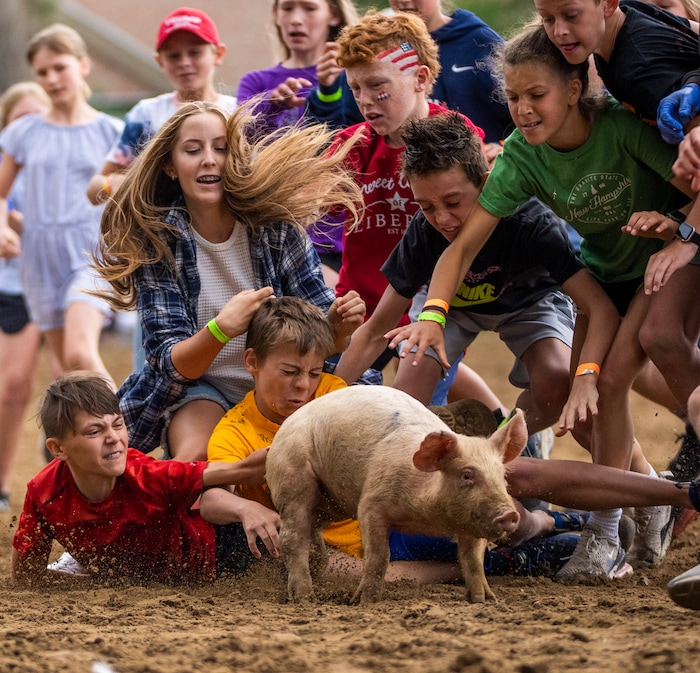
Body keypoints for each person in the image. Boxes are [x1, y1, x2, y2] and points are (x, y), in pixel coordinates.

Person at [383, 22, 700, 580]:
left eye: (536, 95)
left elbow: (688, 183)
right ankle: (640, 504)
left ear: (574, 90)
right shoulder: (519, 162)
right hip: (609, 279)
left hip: (656, 266)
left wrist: (679, 230)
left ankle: (615, 525)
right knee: (598, 394)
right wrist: (432, 315)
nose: (523, 109)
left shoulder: (620, 130)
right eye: (512, 98)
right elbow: (458, 250)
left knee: (610, 378)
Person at [201, 296, 700, 582]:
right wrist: (247, 507)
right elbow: (208, 489)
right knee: (359, 575)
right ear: (252, 366)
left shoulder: (332, 393)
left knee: (506, 476)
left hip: (407, 504)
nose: (301, 386)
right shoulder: (237, 428)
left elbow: (385, 417)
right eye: (289, 372)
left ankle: (666, 494)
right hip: (359, 541)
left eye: (311, 372)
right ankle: (534, 545)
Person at [334, 112, 618, 469]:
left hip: (528, 302)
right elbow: (375, 331)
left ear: (486, 183)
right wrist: (326, 397)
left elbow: (596, 305)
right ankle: (461, 465)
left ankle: (514, 441)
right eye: (426, 206)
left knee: (557, 382)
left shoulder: (529, 222)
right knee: (407, 388)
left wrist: (585, 376)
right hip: (449, 306)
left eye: (453, 203)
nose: (442, 219)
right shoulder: (425, 232)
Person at [93, 101, 366, 462]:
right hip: (201, 388)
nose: (209, 159)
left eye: (221, 148)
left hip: (284, 384)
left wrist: (339, 327)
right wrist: (221, 329)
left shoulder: (278, 228)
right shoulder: (156, 242)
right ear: (170, 166)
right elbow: (174, 364)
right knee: (197, 458)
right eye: (193, 150)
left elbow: (321, 346)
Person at [535, 0, 700, 486]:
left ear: (607, 4)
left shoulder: (637, 62)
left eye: (570, 15)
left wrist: (686, 236)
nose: (559, 32)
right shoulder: (613, 40)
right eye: (547, 18)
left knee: (660, 345)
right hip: (684, 212)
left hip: (691, 218)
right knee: (660, 336)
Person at [10, 370, 273, 585]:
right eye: (94, 431)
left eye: (118, 424)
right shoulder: (43, 493)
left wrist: (250, 470)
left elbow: (216, 472)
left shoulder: (141, 473)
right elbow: (26, 577)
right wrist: (94, 583)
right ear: (58, 449)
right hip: (143, 577)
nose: (113, 438)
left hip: (220, 553)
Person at [0, 24, 123, 388]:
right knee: (70, 369)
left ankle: (128, 432)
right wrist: (3, 226)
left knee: (81, 352)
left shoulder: (111, 131)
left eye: (60, 67)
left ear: (83, 65)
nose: (52, 79)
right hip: (38, 261)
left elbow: (134, 189)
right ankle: (92, 443)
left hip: (91, 256)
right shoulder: (23, 133)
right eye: (42, 72)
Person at [237, 0, 359, 288]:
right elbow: (237, 141)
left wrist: (330, 90)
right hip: (273, 233)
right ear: (276, 16)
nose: (296, 19)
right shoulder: (257, 82)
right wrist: (272, 105)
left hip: (337, 237)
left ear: (334, 15)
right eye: (287, 8)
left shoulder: (355, 76)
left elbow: (354, 143)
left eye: (309, 8)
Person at [86, 7, 236, 206]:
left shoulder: (237, 112)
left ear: (218, 54)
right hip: (159, 231)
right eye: (173, 56)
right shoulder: (145, 115)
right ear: (160, 62)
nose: (184, 62)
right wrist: (114, 184)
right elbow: (94, 189)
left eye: (195, 52)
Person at [0, 81, 53, 510]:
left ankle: (59, 460)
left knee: (65, 374)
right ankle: (1, 485)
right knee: (12, 386)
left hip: (53, 284)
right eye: (21, 119)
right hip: (11, 287)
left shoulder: (62, 168)